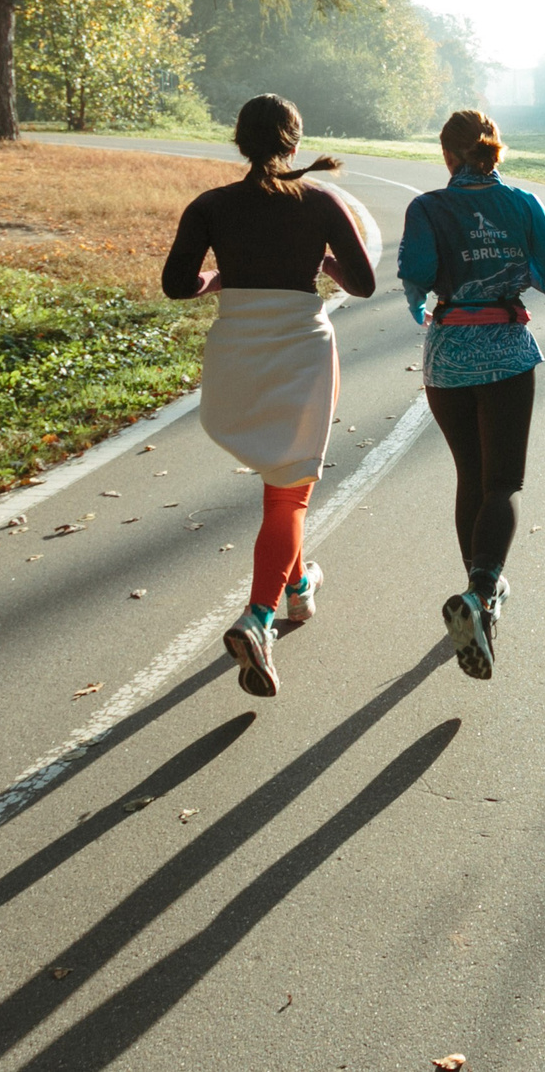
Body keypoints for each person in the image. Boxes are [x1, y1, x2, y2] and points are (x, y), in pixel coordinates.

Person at [163, 95, 380, 696]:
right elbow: (362, 284)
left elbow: (177, 284)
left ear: (240, 143)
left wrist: (221, 278)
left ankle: (298, 590)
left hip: (236, 350)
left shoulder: (209, 206)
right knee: (289, 493)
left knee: (286, 483)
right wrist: (325, 262)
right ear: (293, 142)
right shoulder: (322, 201)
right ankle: (258, 619)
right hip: (300, 352)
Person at [397, 108, 545, 679]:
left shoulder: (426, 207)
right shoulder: (524, 204)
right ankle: (480, 594)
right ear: (494, 151)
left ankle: (480, 602)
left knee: (470, 477)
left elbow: (416, 276)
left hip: (446, 359)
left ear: (447, 155)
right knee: (503, 483)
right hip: (505, 354)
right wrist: (515, 263)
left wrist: (426, 298)